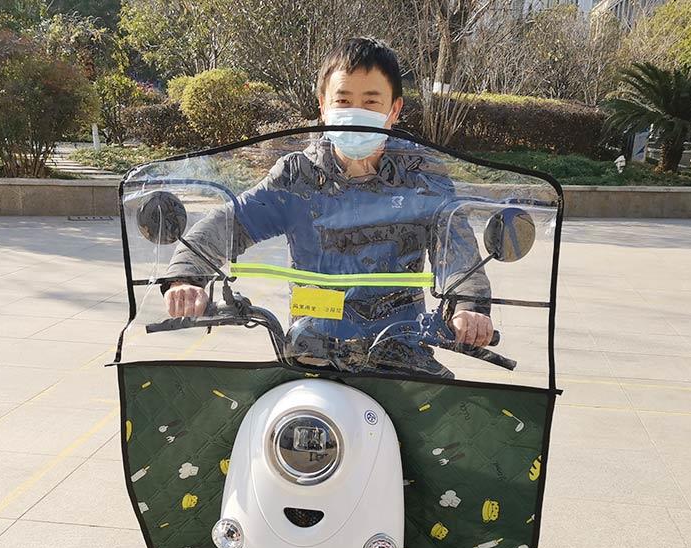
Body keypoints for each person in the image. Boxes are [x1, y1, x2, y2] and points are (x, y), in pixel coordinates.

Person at [160, 37, 493, 352]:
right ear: (323, 106)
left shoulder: (422, 176)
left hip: (402, 348)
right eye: (343, 100)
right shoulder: (298, 176)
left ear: (394, 109)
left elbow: (455, 243)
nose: (355, 111)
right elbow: (234, 221)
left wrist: (467, 305)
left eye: (371, 101)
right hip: (314, 346)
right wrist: (186, 277)